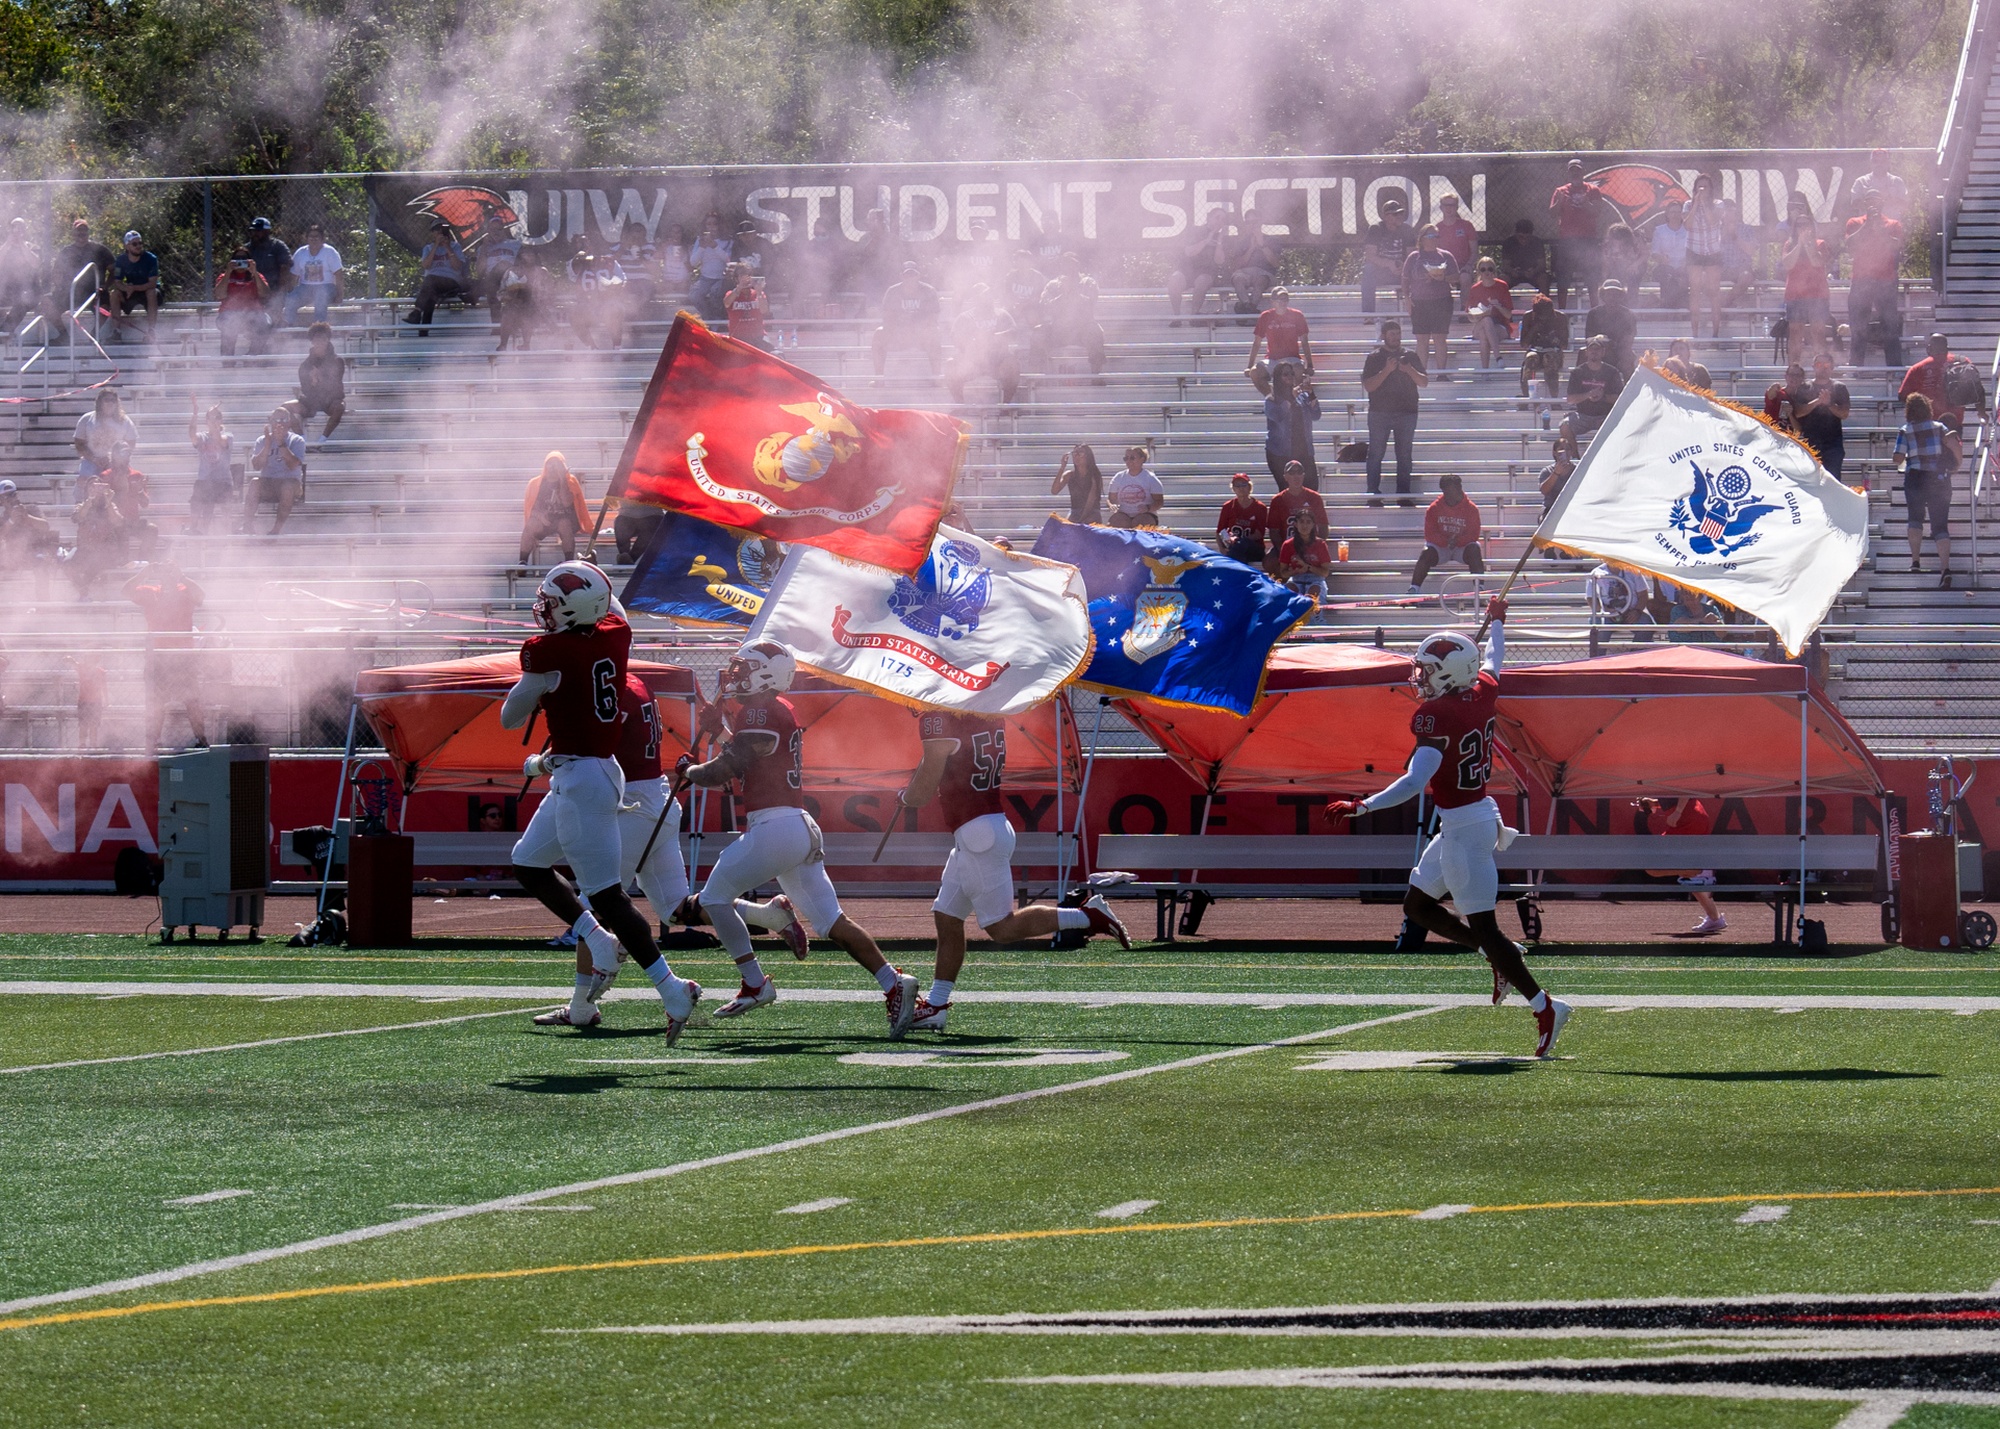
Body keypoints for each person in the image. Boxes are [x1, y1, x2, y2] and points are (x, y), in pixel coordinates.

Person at [1324, 598, 1569, 1056]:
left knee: (1488, 929)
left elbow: (1417, 779)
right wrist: (1498, 622)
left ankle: (1545, 1006)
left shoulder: (1438, 715)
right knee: (1417, 906)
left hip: (1466, 830)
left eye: (1429, 669)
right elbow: (1495, 661)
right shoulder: (1481, 691)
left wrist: (1363, 806)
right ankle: (1496, 955)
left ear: (1451, 674)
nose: (1420, 676)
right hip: (1465, 821)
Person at [503, 561, 702, 1035]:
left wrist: (534, 688)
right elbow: (610, 606)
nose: (543, 609)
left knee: (607, 895)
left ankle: (671, 988)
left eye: (551, 602)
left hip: (584, 778)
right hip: (591, 770)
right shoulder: (616, 635)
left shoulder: (546, 651)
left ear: (574, 608)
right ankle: (597, 940)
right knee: (528, 863)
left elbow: (511, 718)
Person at [683, 639, 918, 1034]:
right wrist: (720, 732)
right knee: (831, 921)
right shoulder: (774, 709)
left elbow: (726, 769)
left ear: (765, 674)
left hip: (775, 827)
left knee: (712, 899)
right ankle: (895, 984)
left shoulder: (757, 711)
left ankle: (754, 983)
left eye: (744, 669)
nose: (736, 676)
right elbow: (749, 758)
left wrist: (688, 770)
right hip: (796, 825)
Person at [900, 707, 1130, 1032]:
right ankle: (936, 1005)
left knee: (1002, 928)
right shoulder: (986, 713)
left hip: (977, 831)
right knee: (947, 917)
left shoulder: (941, 719)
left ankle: (1088, 916)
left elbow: (923, 791)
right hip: (981, 828)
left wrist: (906, 796)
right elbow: (947, 758)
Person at [592, 673, 693, 959]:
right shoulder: (636, 683)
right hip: (657, 796)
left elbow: (595, 745)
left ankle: (584, 998)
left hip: (636, 804)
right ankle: (766, 914)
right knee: (677, 908)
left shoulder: (619, 690)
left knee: (601, 896)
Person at [123, 558, 209, 750]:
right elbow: (125, 591)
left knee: (192, 700)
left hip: (182, 656)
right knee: (155, 702)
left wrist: (183, 577)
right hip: (159, 656)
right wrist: (146, 571)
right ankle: (152, 741)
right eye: (164, 572)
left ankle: (201, 740)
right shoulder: (151, 593)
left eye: (171, 572)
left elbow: (201, 596)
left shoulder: (185, 591)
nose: (168, 576)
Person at [1636, 795, 1726, 937]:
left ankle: (1690, 871)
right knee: (1691, 878)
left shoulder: (1663, 774)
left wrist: (1677, 812)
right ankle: (1715, 918)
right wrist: (1654, 803)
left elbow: (1683, 790)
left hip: (1688, 818)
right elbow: (1673, 797)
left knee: (1652, 866)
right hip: (1690, 817)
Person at [1361, 319, 1427, 506]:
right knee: (1375, 454)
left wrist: (1409, 369)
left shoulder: (1410, 356)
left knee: (1405, 455)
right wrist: (1387, 370)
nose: (1395, 338)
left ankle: (1403, 494)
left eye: (1398, 334)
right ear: (1383, 336)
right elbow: (1369, 386)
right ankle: (1373, 493)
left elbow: (1424, 382)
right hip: (1380, 413)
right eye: (1391, 334)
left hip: (1407, 412)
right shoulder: (1374, 358)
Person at [1894, 392, 1957, 588]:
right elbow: (1954, 446)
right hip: (1938, 478)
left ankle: (1915, 561)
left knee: (1915, 519)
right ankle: (1945, 568)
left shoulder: (1905, 430)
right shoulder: (1939, 428)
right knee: (1940, 526)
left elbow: (1897, 457)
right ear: (1928, 409)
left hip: (1915, 479)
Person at [1844, 191, 1905, 368]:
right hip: (1861, 280)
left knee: (1890, 327)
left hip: (1885, 280)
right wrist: (1867, 225)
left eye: (1877, 201)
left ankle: (1894, 368)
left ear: (1883, 202)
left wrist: (1879, 229)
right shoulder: (1854, 222)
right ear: (1864, 203)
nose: (1873, 204)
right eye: (1870, 201)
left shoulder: (1893, 224)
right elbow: (1849, 245)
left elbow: (1897, 245)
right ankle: (1856, 367)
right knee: (1858, 327)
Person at [1899, 332, 1989, 439]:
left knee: (1930, 455)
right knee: (1954, 454)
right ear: (1947, 347)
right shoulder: (1962, 362)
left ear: (1929, 348)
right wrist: (1982, 413)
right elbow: (1977, 389)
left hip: (1928, 424)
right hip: (1954, 423)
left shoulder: (1918, 368)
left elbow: (1902, 396)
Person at [946, 283, 1021, 404]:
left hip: (998, 361)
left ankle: (1006, 405)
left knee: (1012, 364)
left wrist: (995, 337)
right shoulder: (965, 317)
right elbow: (955, 337)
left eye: (988, 295)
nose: (987, 298)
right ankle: (960, 405)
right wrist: (972, 340)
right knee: (951, 365)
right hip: (972, 363)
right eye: (983, 296)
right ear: (975, 298)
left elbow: (1014, 332)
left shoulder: (1001, 314)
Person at [1409, 475, 1485, 592]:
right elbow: (1430, 534)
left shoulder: (1471, 508)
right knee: (1426, 553)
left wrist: (1458, 541)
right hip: (1441, 548)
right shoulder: (1434, 508)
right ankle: (1413, 589)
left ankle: (1479, 590)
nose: (1454, 494)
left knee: (1474, 548)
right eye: (1449, 491)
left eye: (1456, 489)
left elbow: (1473, 534)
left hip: (1462, 548)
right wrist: (1445, 541)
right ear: (1444, 491)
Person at [1401, 226, 1459, 377]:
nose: (1435, 238)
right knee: (1422, 339)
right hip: (1419, 302)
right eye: (1431, 235)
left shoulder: (1445, 255)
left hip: (1441, 301)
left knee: (1440, 337)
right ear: (1422, 238)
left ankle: (1442, 374)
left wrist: (1443, 278)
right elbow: (1405, 279)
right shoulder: (1414, 257)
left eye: (1436, 235)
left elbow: (1456, 277)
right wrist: (1406, 298)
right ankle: (1421, 373)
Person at [1549, 159, 1606, 309]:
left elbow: (1598, 212)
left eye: (1578, 170)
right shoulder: (1560, 191)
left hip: (1588, 241)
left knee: (1592, 279)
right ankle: (1562, 311)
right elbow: (1552, 213)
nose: (1575, 173)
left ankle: (1595, 310)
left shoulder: (1593, 190)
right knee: (1563, 278)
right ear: (1568, 173)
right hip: (1567, 242)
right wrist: (1559, 202)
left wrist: (1586, 203)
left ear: (1583, 172)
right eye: (1572, 170)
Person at [240, 405, 306, 535]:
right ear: (271, 422)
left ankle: (276, 530)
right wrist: (268, 445)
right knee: (254, 482)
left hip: (291, 483)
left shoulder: (297, 440)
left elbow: (293, 465)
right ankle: (247, 525)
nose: (279, 423)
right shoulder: (262, 440)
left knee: (287, 488)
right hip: (269, 482)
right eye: (276, 419)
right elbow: (257, 466)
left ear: (289, 422)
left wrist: (281, 443)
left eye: (283, 419)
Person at [1038, 252, 1106, 376]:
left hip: (1082, 330)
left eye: (1072, 264)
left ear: (1078, 265)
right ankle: (1037, 376)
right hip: (1059, 330)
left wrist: (1074, 293)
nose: (1069, 267)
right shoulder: (1052, 285)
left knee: (1095, 330)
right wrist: (1062, 296)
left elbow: (1090, 304)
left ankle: (1096, 375)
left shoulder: (1088, 282)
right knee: (1038, 333)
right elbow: (1045, 306)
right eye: (1065, 264)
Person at [520, 452, 591, 565]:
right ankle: (522, 562)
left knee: (565, 525)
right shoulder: (535, 483)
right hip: (544, 521)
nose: (552, 467)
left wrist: (562, 478)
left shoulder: (570, 481)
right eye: (550, 463)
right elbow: (531, 509)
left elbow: (567, 502)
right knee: (531, 525)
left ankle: (568, 562)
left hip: (565, 520)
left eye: (556, 463)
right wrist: (540, 516)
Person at [1781, 210, 1833, 363]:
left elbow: (1817, 262)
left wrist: (1808, 244)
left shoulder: (1820, 244)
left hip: (1817, 294)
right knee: (1796, 332)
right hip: (1795, 295)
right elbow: (1787, 264)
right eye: (1799, 225)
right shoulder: (1789, 244)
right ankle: (1794, 367)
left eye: (1806, 225)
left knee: (1818, 331)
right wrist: (1799, 245)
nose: (1802, 228)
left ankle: (1822, 367)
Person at [871, 261, 941, 375]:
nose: (910, 278)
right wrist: (900, 326)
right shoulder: (893, 291)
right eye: (907, 275)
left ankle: (936, 377)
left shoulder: (929, 291)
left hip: (922, 336)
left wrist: (917, 325)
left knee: (935, 333)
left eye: (913, 275)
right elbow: (886, 316)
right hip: (899, 335)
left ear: (918, 275)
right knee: (878, 334)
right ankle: (879, 378)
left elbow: (934, 316)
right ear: (901, 276)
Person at [1562, 335, 1626, 458]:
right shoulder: (1577, 372)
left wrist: (1603, 397)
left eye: (1597, 349)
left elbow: (1621, 398)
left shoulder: (1612, 372)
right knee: (1564, 426)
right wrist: (1588, 395)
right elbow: (1570, 399)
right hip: (1583, 416)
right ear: (1586, 352)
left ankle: (1610, 458)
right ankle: (1576, 459)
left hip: (1605, 416)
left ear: (1603, 352)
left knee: (1620, 426)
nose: (1594, 352)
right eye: (1591, 349)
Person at [403, 220, 469, 335]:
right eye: (436, 230)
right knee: (430, 295)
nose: (439, 232)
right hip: (433, 285)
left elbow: (457, 266)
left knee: (429, 281)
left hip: (451, 282)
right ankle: (423, 332)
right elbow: (426, 265)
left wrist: (448, 247)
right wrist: (436, 246)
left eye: (442, 229)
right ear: (432, 233)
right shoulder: (428, 248)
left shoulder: (455, 246)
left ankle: (417, 311)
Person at [1262, 361, 1321, 489]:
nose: (1290, 376)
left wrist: (1311, 394)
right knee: (1287, 491)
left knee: (1312, 488)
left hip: (1304, 450)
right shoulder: (1271, 399)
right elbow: (1277, 416)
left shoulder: (1303, 396)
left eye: (1292, 374)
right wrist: (1291, 398)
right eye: (1285, 374)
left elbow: (1316, 415)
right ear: (1278, 378)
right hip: (1279, 453)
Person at [1264, 459, 1329, 575]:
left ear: (1303, 475)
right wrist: (1284, 551)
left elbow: (1323, 527)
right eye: (1292, 473)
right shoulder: (1278, 500)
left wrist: (1314, 547)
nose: (1296, 476)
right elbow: (1274, 531)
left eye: (1299, 472)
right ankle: (1283, 588)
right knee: (1269, 561)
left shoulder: (1314, 498)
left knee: (1318, 561)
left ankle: (1313, 587)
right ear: (1285, 477)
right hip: (1286, 545)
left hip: (1309, 544)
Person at [73, 389, 138, 497]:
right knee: (84, 492)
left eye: (113, 400)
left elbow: (131, 443)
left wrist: (116, 460)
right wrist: (94, 459)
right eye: (107, 400)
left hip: (116, 465)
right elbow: (79, 443)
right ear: (100, 402)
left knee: (119, 494)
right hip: (91, 463)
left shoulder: (125, 421)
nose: (110, 403)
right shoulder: (87, 419)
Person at [1245, 285, 1313, 390]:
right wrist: (1249, 366)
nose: (1282, 302)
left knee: (1298, 370)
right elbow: (1257, 343)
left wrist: (1310, 365)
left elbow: (1304, 342)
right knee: (1255, 372)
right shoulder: (1265, 316)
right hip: (1272, 359)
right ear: (1272, 301)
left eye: (1285, 299)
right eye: (1279, 299)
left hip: (1292, 358)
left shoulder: (1297, 315)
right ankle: (1271, 397)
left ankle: (1294, 400)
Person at [1685, 174, 1726, 339]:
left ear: (1711, 190)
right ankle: (1694, 333)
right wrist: (1696, 204)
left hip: (1712, 250)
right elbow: (1687, 225)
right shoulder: (1688, 204)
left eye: (1705, 187)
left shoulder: (1718, 204)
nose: (1702, 190)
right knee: (1695, 291)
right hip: (1694, 249)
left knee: (1713, 292)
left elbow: (1712, 221)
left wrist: (1703, 203)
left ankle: (1715, 333)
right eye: (1699, 187)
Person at [186, 398, 235, 534]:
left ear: (221, 421)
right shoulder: (203, 437)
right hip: (205, 483)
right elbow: (192, 435)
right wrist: (195, 413)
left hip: (223, 483)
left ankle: (223, 532)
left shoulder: (228, 436)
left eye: (217, 417)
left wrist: (213, 423)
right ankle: (194, 528)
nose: (214, 420)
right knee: (201, 488)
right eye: (210, 418)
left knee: (210, 492)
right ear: (206, 421)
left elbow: (221, 441)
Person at [0, 481, 56, 598]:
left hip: (34, 551)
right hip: (12, 555)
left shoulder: (31, 509)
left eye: (12, 495)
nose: (10, 499)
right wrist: (11, 521)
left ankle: (43, 601)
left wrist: (27, 518)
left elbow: (45, 526)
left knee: (41, 564)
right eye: (5, 497)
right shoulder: (3, 518)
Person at [1168, 221, 1234, 318]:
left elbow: (1219, 261)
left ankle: (1194, 315)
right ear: (1209, 218)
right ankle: (1177, 316)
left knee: (1202, 280)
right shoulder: (1195, 232)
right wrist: (1206, 241)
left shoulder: (1222, 238)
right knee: (1175, 279)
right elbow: (1189, 252)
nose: (1219, 221)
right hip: (1186, 270)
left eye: (1223, 219)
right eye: (1217, 218)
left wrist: (1219, 241)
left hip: (1206, 272)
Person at [213, 246, 271, 357]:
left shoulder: (257, 276)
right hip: (230, 314)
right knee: (229, 324)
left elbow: (265, 294)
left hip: (253, 314)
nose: (240, 262)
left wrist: (255, 273)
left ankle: (252, 356)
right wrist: (228, 272)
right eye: (237, 258)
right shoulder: (224, 276)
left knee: (265, 323)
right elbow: (220, 295)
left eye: (244, 259)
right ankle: (227, 360)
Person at [283, 223, 344, 327]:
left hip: (327, 286)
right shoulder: (300, 253)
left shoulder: (330, 252)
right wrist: (291, 292)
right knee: (291, 298)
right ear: (306, 238)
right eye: (311, 236)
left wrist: (340, 295)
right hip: (305, 288)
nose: (314, 239)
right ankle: (288, 326)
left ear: (322, 239)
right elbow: (294, 276)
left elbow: (339, 275)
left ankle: (318, 327)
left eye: (317, 237)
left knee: (320, 295)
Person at [1360, 196, 1412, 315]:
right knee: (1368, 269)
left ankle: (1416, 312)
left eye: (1401, 213)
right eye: (1395, 214)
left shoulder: (1407, 229)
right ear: (1385, 216)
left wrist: (1403, 267)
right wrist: (1389, 264)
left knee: (1417, 269)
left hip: (1402, 272)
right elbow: (1370, 256)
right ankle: (1368, 315)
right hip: (1381, 272)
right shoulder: (1376, 229)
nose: (1399, 216)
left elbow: (1412, 254)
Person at [296, 322, 346, 446]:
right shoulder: (305, 365)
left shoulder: (337, 361)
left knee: (340, 406)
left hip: (330, 401)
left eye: (323, 339)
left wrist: (321, 378)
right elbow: (305, 390)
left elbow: (337, 387)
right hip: (311, 401)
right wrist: (313, 382)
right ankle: (302, 441)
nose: (320, 342)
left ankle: (322, 440)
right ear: (312, 341)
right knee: (285, 409)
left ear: (328, 340)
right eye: (316, 339)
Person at [1274, 505, 1333, 605]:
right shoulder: (1288, 545)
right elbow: (1283, 573)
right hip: (1296, 579)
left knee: (1310, 599)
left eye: (1308, 522)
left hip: (1316, 580)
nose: (1304, 525)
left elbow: (1325, 572)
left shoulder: (1320, 544)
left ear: (1313, 525)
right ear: (1295, 524)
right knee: (1287, 594)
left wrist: (1308, 567)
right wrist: (1294, 571)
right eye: (1301, 521)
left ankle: (1317, 620)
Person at [106, 231, 159, 339]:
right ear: (127, 246)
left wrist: (133, 288)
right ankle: (116, 331)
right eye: (134, 244)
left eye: (140, 243)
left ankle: (151, 331)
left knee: (151, 292)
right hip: (131, 291)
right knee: (114, 294)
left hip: (147, 290)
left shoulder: (151, 259)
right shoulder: (121, 260)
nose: (138, 246)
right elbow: (117, 282)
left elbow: (152, 283)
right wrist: (126, 288)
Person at [1463, 256, 1513, 369]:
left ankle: (1485, 372)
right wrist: (1480, 314)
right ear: (1479, 272)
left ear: (1494, 271)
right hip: (1479, 324)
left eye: (1490, 269)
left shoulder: (1502, 286)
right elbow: (1470, 317)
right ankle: (1498, 357)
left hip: (1500, 326)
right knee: (1486, 320)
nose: (1487, 272)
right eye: (1483, 269)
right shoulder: (1475, 289)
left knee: (1484, 334)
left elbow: (1508, 315)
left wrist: (1498, 306)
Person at [1517, 292, 1569, 398]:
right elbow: (1524, 344)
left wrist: (1554, 337)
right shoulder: (1528, 317)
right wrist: (1534, 329)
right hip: (1535, 350)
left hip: (1554, 352)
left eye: (1547, 314)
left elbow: (1564, 345)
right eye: (1541, 315)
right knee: (1530, 358)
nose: (1544, 318)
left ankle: (1554, 398)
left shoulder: (1560, 318)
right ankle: (1526, 396)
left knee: (1549, 358)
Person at [475, 216, 524, 327]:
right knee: (492, 288)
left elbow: (522, 264)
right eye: (493, 230)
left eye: (499, 229)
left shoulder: (515, 244)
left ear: (504, 230)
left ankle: (475, 292)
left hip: (511, 278)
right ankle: (497, 326)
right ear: (488, 232)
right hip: (493, 282)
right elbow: (479, 272)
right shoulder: (482, 248)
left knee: (503, 265)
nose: (496, 232)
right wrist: (484, 248)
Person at [686, 212, 733, 320]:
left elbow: (728, 260)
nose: (712, 227)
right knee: (694, 295)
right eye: (709, 224)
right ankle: (709, 318)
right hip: (705, 278)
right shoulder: (700, 240)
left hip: (722, 278)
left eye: (714, 224)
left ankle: (719, 319)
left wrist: (715, 246)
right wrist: (702, 248)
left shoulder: (728, 240)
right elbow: (693, 262)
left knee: (715, 293)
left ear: (719, 225)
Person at [1584, 279, 1637, 374]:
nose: (1612, 297)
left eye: (1616, 294)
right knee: (1583, 354)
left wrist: (1612, 345)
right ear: (1603, 295)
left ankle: (1628, 388)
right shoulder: (1593, 313)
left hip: (1620, 352)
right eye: (1609, 294)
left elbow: (1629, 339)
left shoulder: (1629, 315)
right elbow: (1589, 337)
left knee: (1628, 358)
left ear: (1621, 296)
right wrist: (1602, 345)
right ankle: (1581, 387)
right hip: (1598, 350)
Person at [244, 217, 292, 319]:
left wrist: (280, 292)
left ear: (267, 232)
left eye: (258, 231)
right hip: (252, 290)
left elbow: (286, 267)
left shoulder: (278, 246)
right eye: (253, 231)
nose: (255, 234)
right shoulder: (247, 248)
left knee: (272, 316)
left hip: (273, 289)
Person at [1215, 473, 1268, 564]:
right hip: (1235, 548)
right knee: (1237, 550)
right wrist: (1222, 549)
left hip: (1254, 548)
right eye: (1237, 485)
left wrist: (1240, 540)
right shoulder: (1228, 506)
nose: (1241, 488)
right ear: (1234, 488)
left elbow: (1259, 534)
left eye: (1244, 485)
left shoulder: (1260, 507)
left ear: (1249, 487)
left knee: (1239, 546)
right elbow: (1220, 531)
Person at [1105, 446, 1164, 528]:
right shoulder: (1118, 477)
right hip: (1123, 513)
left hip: (1145, 514)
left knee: (1140, 523)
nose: (1129, 461)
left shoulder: (1150, 478)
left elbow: (1159, 501)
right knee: (1118, 522)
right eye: (1126, 458)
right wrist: (1112, 505)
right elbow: (1110, 499)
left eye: (1132, 458)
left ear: (1142, 459)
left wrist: (1148, 508)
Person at [0, 217, 41, 332]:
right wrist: (8, 243)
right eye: (13, 227)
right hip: (8, 291)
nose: (16, 231)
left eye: (20, 228)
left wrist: (21, 244)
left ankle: (4, 331)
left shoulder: (32, 247)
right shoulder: (4, 248)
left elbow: (35, 264)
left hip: (30, 291)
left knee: (23, 300)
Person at [1648, 203, 1690, 315]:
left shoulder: (1689, 230)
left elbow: (1693, 252)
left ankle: (1671, 307)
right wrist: (1662, 259)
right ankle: (1669, 308)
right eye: (1672, 212)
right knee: (1666, 274)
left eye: (1678, 212)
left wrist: (1686, 263)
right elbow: (1654, 253)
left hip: (1684, 267)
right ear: (1667, 214)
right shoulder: (1659, 231)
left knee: (1684, 275)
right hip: (1666, 267)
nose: (1675, 215)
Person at [1847, 149, 1909, 224]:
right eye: (1875, 161)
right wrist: (1872, 202)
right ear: (1871, 163)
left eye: (1883, 161)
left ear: (1888, 163)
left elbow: (1905, 204)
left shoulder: (1897, 181)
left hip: (1891, 225)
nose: (1879, 164)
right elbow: (1854, 203)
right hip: (1867, 226)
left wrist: (1889, 200)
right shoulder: (1861, 181)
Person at [724, 264, 770, 349]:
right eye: (742, 276)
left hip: (758, 336)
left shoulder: (758, 294)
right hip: (738, 337)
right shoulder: (731, 294)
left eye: (748, 276)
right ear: (736, 279)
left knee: (775, 354)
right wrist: (739, 288)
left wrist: (759, 292)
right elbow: (726, 303)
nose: (746, 280)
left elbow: (764, 310)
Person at [1499, 218, 1549, 294]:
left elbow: (1542, 265)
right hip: (1514, 274)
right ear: (1515, 234)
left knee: (1543, 279)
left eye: (1527, 237)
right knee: (1502, 279)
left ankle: (1544, 303)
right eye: (1521, 237)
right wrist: (1512, 271)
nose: (1524, 240)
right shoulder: (1508, 243)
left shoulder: (1537, 242)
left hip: (1533, 274)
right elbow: (1505, 265)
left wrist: (1534, 271)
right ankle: (1501, 305)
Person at [1433, 193, 1478, 272]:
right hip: (1443, 268)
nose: (1448, 208)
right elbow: (1433, 251)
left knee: (1465, 279)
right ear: (1441, 208)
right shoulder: (1437, 228)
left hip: (1463, 267)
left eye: (1452, 205)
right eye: (1445, 205)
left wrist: (1468, 266)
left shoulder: (1467, 225)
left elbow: (1474, 252)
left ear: (1457, 207)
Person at [1537, 441, 1575, 515]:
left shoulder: (1578, 470)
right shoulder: (1547, 471)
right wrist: (1556, 473)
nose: (1565, 452)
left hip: (1572, 508)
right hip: (1551, 508)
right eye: (1561, 449)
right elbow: (1544, 491)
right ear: (1555, 453)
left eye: (1568, 449)